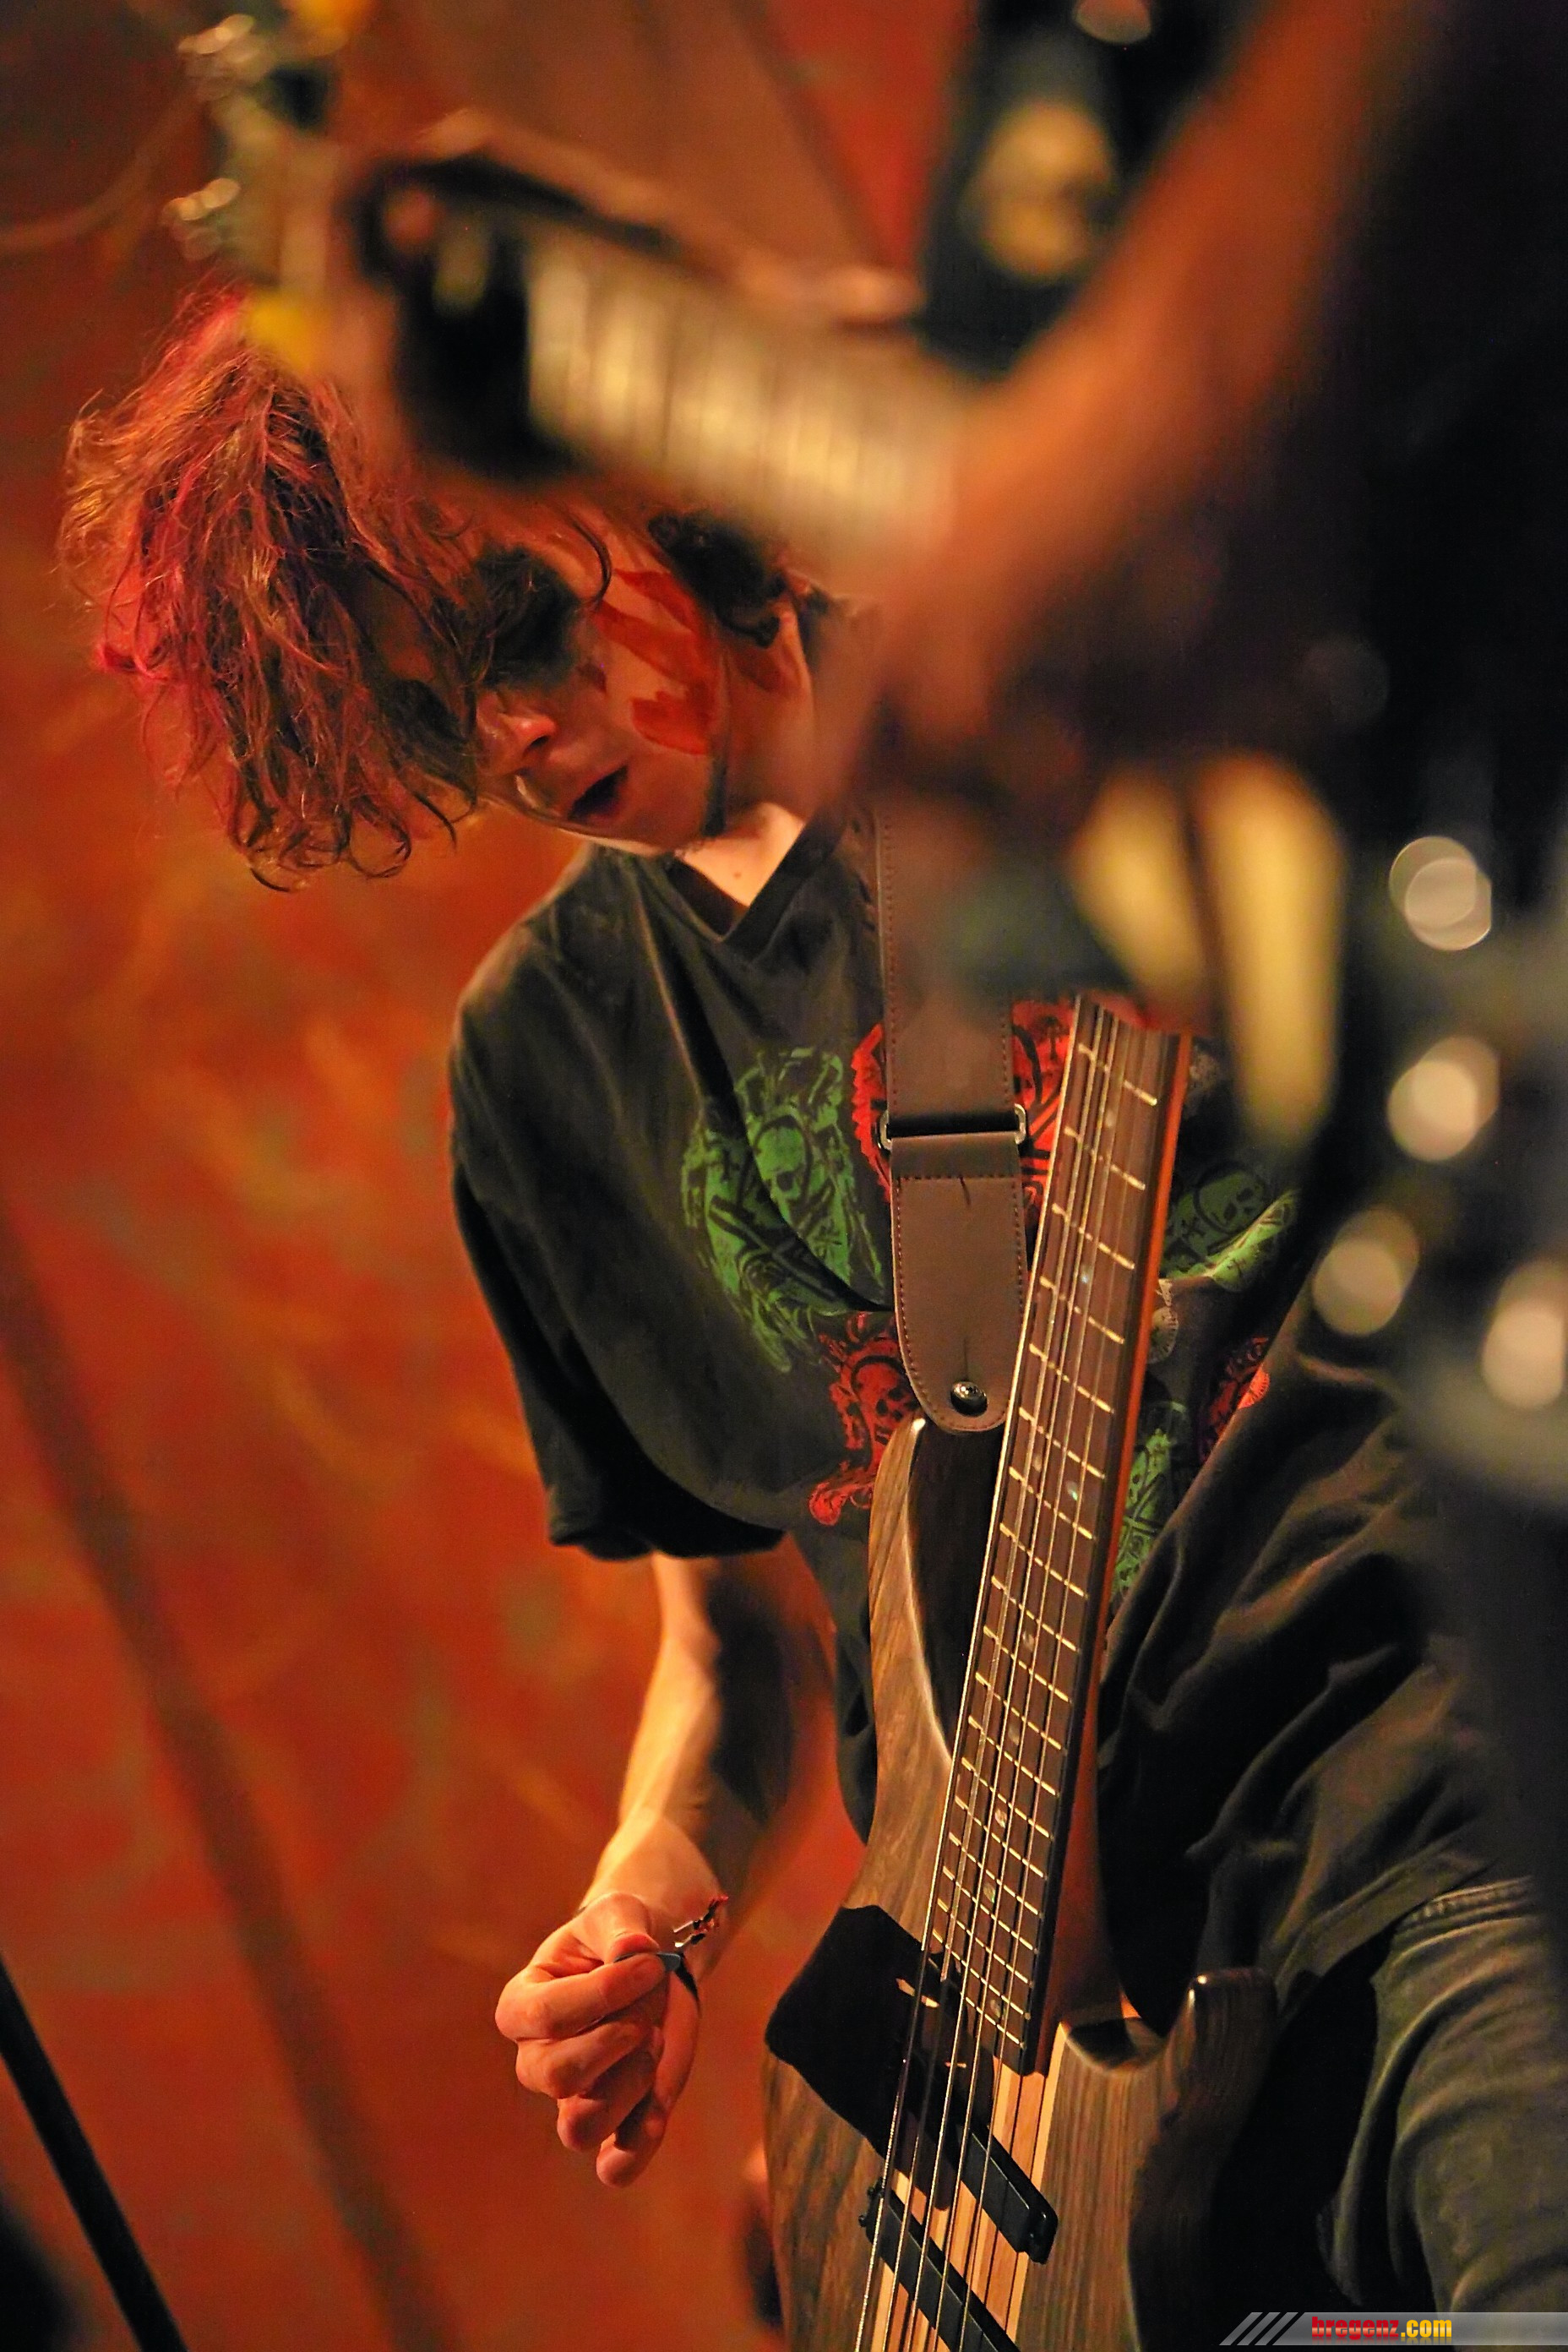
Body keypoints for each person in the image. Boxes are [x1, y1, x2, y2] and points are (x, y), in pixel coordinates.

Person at [63, 295, 1568, 2320]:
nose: (510, 738)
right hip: (1034, 2078)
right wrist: (647, 1903)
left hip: (1421, 1800)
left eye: (516, 630)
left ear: (648, 478)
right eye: (428, 720)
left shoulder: (1054, 717)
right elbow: (741, 1640)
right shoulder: (544, 1066)